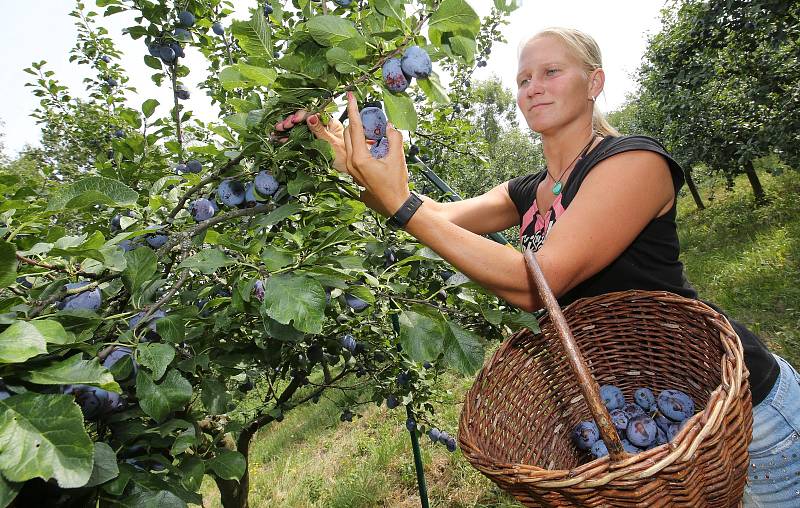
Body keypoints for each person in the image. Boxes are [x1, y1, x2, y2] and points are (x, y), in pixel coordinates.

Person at [274, 27, 799, 506]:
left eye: (551, 72)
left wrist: (402, 204)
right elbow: (434, 217)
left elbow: (537, 283)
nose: (533, 87)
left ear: (594, 82)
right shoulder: (529, 189)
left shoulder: (634, 163)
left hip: (744, 415)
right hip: (647, 429)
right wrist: (361, 169)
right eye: (523, 78)